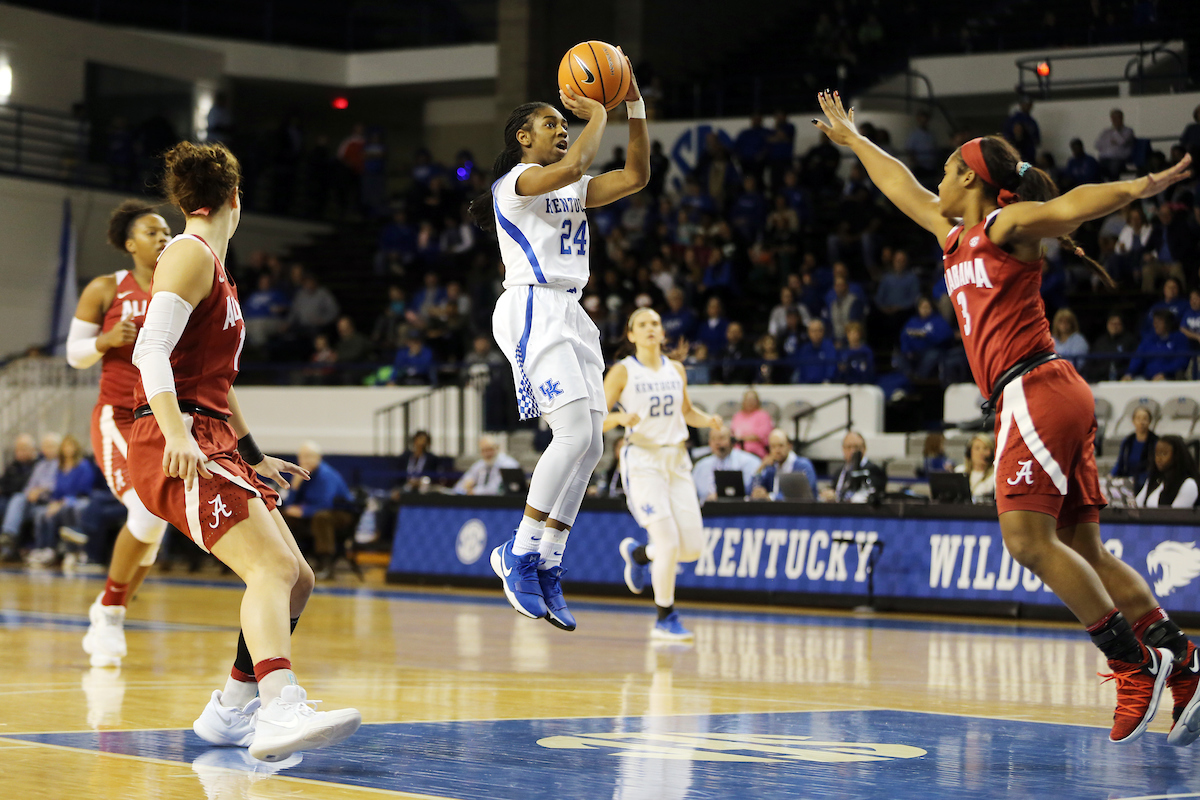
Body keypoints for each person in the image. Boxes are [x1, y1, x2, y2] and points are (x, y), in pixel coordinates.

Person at [816, 88, 1197, 744]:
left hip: (1034, 391)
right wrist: (856, 142)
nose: (935, 177)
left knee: (1025, 541)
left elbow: (1070, 206)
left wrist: (1143, 184)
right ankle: (1183, 663)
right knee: (1081, 548)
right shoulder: (952, 233)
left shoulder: (1002, 227)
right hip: (1051, 393)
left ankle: (1133, 664)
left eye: (945, 169)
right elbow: (900, 184)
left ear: (968, 177)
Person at [126, 141, 360, 762]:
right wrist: (178, 435)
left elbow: (215, 386)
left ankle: (231, 709)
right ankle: (279, 704)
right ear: (236, 198)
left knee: (298, 579)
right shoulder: (188, 253)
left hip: (213, 437)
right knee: (271, 571)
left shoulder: (216, 271)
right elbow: (150, 351)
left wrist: (253, 453)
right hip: (174, 438)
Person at [466, 49, 649, 631]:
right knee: (571, 433)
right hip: (529, 306)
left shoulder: (569, 187)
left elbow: (637, 176)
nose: (562, 132)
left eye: (564, 124)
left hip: (570, 310)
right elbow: (572, 169)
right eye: (552, 124)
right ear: (523, 136)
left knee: (591, 443)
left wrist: (635, 103)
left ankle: (547, 561)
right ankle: (517, 552)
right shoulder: (514, 184)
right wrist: (599, 112)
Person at [65, 201, 174, 664]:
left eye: (168, 231)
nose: (164, 238)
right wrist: (105, 342)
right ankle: (110, 609)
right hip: (118, 416)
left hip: (164, 418)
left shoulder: (179, 290)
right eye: (153, 232)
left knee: (158, 519)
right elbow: (74, 355)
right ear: (131, 244)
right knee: (146, 509)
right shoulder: (106, 288)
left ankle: (112, 610)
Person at [606, 308, 723, 641]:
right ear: (631, 335)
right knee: (669, 543)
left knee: (692, 549)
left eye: (655, 323)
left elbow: (686, 412)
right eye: (642, 324)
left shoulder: (676, 369)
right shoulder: (623, 371)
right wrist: (618, 420)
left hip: (677, 461)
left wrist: (708, 420)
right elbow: (595, 416)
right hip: (643, 462)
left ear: (662, 331)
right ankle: (665, 617)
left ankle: (639, 555)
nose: (650, 329)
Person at [282, 441, 354, 580]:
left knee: (322, 517)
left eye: (309, 456)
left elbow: (325, 504)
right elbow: (290, 505)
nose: (305, 460)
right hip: (314, 513)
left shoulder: (326, 475)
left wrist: (303, 511)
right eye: (302, 456)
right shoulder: (300, 475)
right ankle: (289, 560)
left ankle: (326, 565)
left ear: (318, 458)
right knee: (283, 516)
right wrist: (295, 486)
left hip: (341, 514)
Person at [25, 435, 95, 567]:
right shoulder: (60, 468)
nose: (68, 449)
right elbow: (57, 490)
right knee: (43, 513)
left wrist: (63, 502)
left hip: (80, 499)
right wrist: (54, 502)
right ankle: (45, 549)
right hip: (60, 500)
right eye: (65, 446)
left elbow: (83, 489)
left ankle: (78, 550)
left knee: (71, 509)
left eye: (70, 446)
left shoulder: (83, 465)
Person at [0, 433, 62, 554]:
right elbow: (29, 485)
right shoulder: (40, 465)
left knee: (26, 505)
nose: (48, 449)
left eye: (52, 446)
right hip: (32, 501)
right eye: (46, 446)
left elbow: (58, 484)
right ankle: (7, 539)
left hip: (49, 500)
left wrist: (40, 490)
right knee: (18, 498)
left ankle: (11, 537)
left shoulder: (61, 464)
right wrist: (30, 493)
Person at [691, 426, 760, 503]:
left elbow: (755, 491)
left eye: (721, 438)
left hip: (739, 509)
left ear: (732, 441)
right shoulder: (701, 466)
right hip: (706, 511)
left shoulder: (750, 462)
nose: (717, 443)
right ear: (709, 443)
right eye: (713, 439)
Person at [0, 434, 39, 561]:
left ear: (32, 449)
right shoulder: (13, 466)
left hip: (29, 502)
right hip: (9, 500)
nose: (20, 452)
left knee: (18, 498)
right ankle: (6, 545)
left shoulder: (38, 465)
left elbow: (26, 487)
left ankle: (8, 535)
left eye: (24, 448)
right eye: (18, 449)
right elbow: (4, 484)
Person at [1123, 309, 1191, 381]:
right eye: (1155, 322)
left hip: (1169, 378)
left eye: (1159, 322)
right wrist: (1129, 373)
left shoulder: (1180, 338)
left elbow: (1182, 361)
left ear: (1168, 323)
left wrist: (1165, 373)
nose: (1156, 324)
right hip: (1146, 378)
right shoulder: (1148, 339)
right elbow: (1138, 358)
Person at [750, 429, 818, 501]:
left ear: (789, 446)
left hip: (802, 510)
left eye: (781, 446)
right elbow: (750, 491)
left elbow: (799, 495)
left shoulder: (803, 465)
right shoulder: (771, 467)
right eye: (773, 447)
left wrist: (770, 497)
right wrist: (760, 468)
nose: (777, 450)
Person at [821, 430, 887, 503]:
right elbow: (834, 491)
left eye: (856, 447)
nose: (852, 451)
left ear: (864, 448)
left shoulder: (874, 471)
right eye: (848, 447)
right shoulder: (840, 472)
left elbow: (873, 494)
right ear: (843, 449)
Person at [1136, 436, 1200, 509]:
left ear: (1176, 456)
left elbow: (1175, 515)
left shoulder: (1188, 484)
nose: (1159, 458)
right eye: (1157, 453)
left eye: (1164, 454)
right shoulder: (1154, 480)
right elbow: (1137, 506)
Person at [453, 435, 520, 496]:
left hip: (503, 505)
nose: (487, 454)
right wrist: (465, 489)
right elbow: (459, 486)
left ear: (497, 448)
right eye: (483, 450)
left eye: (489, 449)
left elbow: (496, 490)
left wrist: (473, 491)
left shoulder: (508, 464)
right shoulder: (479, 465)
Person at [1112, 406, 1158, 494]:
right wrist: (1111, 476)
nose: (1142, 422)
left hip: (1146, 480)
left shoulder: (1155, 441)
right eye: (1138, 418)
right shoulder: (1127, 441)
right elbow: (1120, 463)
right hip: (1128, 479)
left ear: (1150, 421)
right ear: (1133, 421)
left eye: (1145, 419)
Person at [1087, 313, 1139, 382]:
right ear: (1107, 325)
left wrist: (1128, 374)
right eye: (1112, 324)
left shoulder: (1129, 341)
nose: (1115, 327)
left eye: (1117, 324)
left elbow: (1134, 362)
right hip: (1101, 380)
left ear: (1122, 325)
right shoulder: (1100, 342)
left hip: (1123, 380)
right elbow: (1091, 363)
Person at [729, 388, 772, 459]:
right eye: (748, 400)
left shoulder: (763, 415)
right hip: (736, 451)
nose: (750, 402)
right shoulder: (738, 415)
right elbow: (732, 433)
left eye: (752, 400)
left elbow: (762, 435)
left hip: (756, 452)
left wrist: (742, 438)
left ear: (757, 401)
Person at [1095, 109, 1136, 181]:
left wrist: (1116, 131)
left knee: (1113, 167)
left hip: (1120, 159)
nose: (1115, 120)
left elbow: (1122, 142)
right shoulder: (1106, 131)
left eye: (1117, 118)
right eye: (1113, 118)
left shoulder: (1128, 131)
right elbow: (1097, 145)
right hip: (1104, 158)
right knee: (1094, 167)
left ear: (1121, 118)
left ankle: (1113, 187)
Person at [954, 433, 996, 501]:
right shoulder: (959, 471)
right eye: (977, 448)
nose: (981, 453)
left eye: (985, 449)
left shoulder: (995, 476)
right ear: (969, 453)